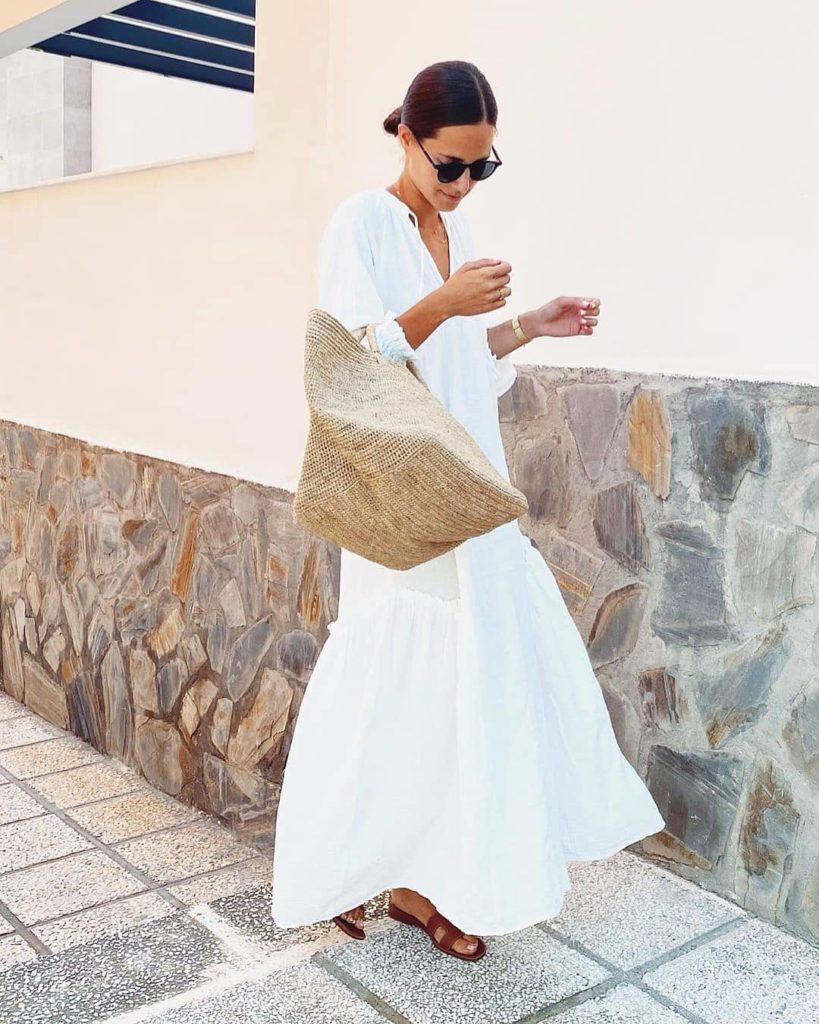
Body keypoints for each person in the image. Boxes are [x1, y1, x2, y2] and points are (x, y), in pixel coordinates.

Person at [270, 59, 666, 961]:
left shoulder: (457, 228)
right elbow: (350, 359)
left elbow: (452, 361)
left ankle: (435, 883)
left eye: (480, 167)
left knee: (468, 685)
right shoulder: (361, 223)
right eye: (449, 164)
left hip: (469, 486)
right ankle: (368, 867)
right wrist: (442, 300)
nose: (461, 184)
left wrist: (528, 324)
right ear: (406, 137)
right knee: (402, 685)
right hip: (407, 501)